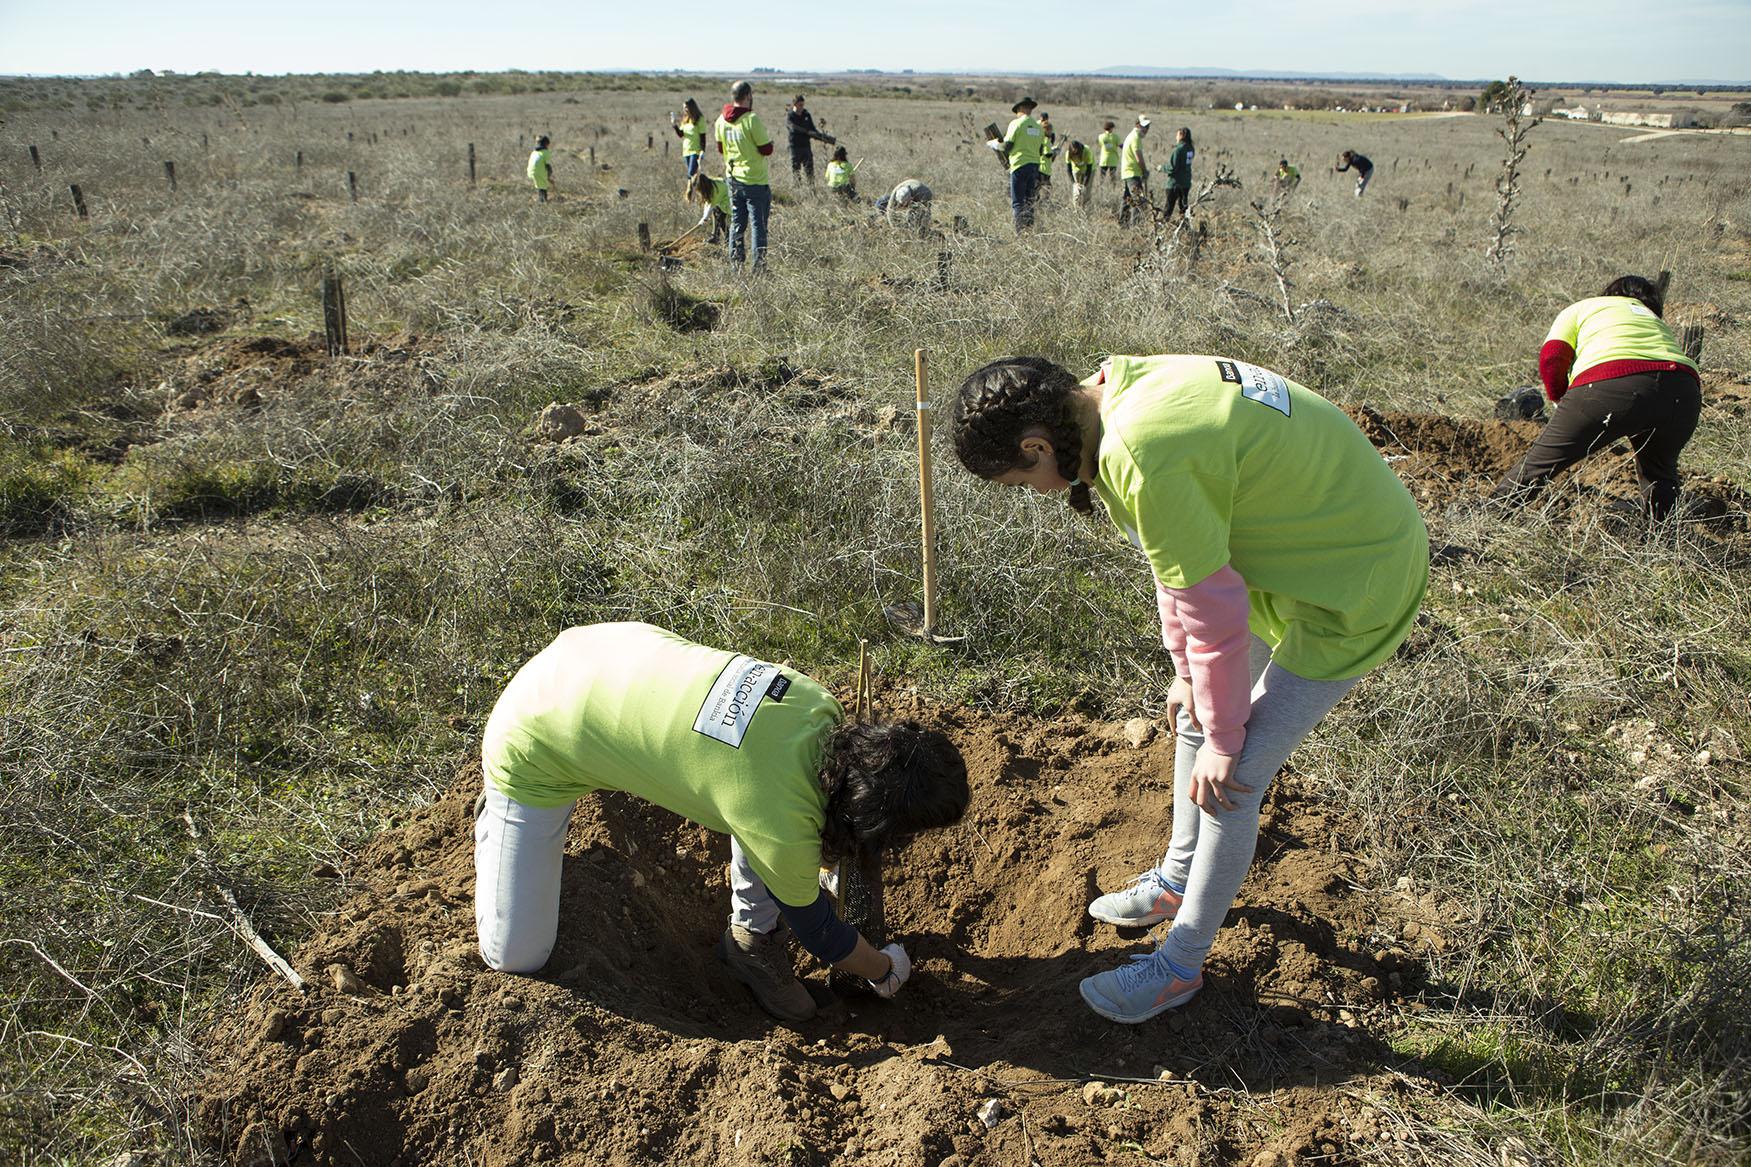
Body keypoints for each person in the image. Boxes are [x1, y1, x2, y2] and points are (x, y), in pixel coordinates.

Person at [949, 355, 1427, 1024]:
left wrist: (1227, 739)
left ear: (1035, 445)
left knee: (1234, 777)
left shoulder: (1142, 455)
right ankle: (1176, 878)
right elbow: (1175, 572)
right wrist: (1186, 676)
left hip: (1354, 578)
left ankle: (1180, 966)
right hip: (1290, 544)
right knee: (1196, 714)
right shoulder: (1112, 391)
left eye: (1021, 478)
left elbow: (1210, 614)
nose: (1031, 491)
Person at [475, 622, 971, 1022]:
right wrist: (883, 969)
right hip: (532, 739)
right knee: (517, 956)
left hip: (601, 648)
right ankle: (500, 822)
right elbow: (822, 936)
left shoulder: (818, 705)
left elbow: (762, 791)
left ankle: (751, 939)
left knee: (747, 794)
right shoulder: (784, 828)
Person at [1490, 276, 1702, 520]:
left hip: (1611, 383)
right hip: (1684, 390)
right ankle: (1662, 543)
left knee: (1540, 463)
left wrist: (1560, 400)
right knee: (1660, 474)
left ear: (1609, 293)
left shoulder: (1586, 306)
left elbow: (1552, 356)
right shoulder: (1652, 318)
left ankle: (1487, 518)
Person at [716, 80, 776, 269]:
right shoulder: (751, 120)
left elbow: (720, 148)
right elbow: (766, 149)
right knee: (758, 225)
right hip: (754, 180)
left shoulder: (721, 121)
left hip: (732, 179)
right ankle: (759, 267)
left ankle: (736, 264)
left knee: (736, 223)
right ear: (748, 96)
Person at [992, 96, 1045, 233]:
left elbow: (1007, 146)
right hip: (1034, 166)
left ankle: (1020, 232)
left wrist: (994, 144)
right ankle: (1029, 230)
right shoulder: (1038, 127)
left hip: (1019, 165)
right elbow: (1041, 150)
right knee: (1029, 200)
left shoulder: (1016, 124)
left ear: (1020, 109)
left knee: (1017, 202)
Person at [786, 94, 834, 184]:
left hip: (806, 146)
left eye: (803, 105)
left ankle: (811, 188)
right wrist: (807, 132)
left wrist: (823, 137)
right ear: (795, 104)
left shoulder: (806, 115)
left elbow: (812, 129)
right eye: (800, 105)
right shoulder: (790, 116)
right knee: (796, 171)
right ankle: (798, 188)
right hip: (795, 147)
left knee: (809, 170)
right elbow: (792, 128)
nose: (802, 107)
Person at [1118, 116, 1151, 227]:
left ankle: (1122, 225)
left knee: (1127, 199)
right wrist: (1144, 171)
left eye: (1148, 126)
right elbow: (1139, 157)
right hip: (1133, 173)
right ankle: (1135, 227)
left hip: (1128, 172)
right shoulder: (1135, 137)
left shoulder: (1131, 136)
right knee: (1138, 201)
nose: (1146, 129)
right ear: (1137, 125)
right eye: (1144, 126)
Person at [685, 171, 731, 244]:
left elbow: (710, 206)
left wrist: (704, 218)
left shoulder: (715, 190)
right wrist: (703, 218)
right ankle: (716, 237)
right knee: (717, 214)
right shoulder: (711, 185)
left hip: (729, 203)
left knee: (719, 217)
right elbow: (708, 203)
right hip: (723, 202)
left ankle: (727, 239)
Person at [1160, 127, 1194, 219]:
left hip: (1175, 183)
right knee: (1183, 208)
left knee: (1168, 208)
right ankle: (1185, 227)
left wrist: (1161, 168)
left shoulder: (1178, 150)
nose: (1176, 137)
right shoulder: (1190, 148)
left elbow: (1172, 167)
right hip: (1186, 182)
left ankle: (1162, 228)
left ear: (1181, 135)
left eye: (1177, 134)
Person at [671, 98, 706, 178]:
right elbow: (681, 134)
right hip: (686, 150)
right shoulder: (686, 119)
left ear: (692, 107)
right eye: (684, 108)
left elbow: (703, 136)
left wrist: (702, 151)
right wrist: (674, 125)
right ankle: (697, 188)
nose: (685, 110)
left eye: (686, 107)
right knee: (694, 175)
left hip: (695, 151)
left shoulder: (700, 119)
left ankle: (690, 189)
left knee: (691, 174)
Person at [1065, 139, 1094, 209]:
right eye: (1074, 155)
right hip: (1076, 170)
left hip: (1088, 170)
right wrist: (1074, 183)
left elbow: (1089, 170)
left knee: (1086, 191)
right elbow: (1068, 169)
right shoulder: (1068, 154)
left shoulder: (1087, 152)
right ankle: (1076, 210)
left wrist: (1085, 184)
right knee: (1076, 192)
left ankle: (1086, 209)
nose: (1076, 157)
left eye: (1077, 154)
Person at [526, 135, 555, 203]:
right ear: (546, 144)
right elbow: (548, 165)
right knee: (543, 187)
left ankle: (541, 199)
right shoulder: (546, 152)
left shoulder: (534, 152)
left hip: (530, 172)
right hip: (539, 172)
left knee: (540, 186)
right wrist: (549, 174)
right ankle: (543, 201)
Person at [1036, 113, 1056, 201]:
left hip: (1040, 166)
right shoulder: (1046, 140)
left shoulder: (1040, 139)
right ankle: (1044, 201)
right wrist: (1054, 152)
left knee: (1038, 186)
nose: (1051, 132)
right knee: (1047, 187)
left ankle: (1038, 199)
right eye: (1050, 130)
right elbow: (1048, 154)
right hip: (1044, 167)